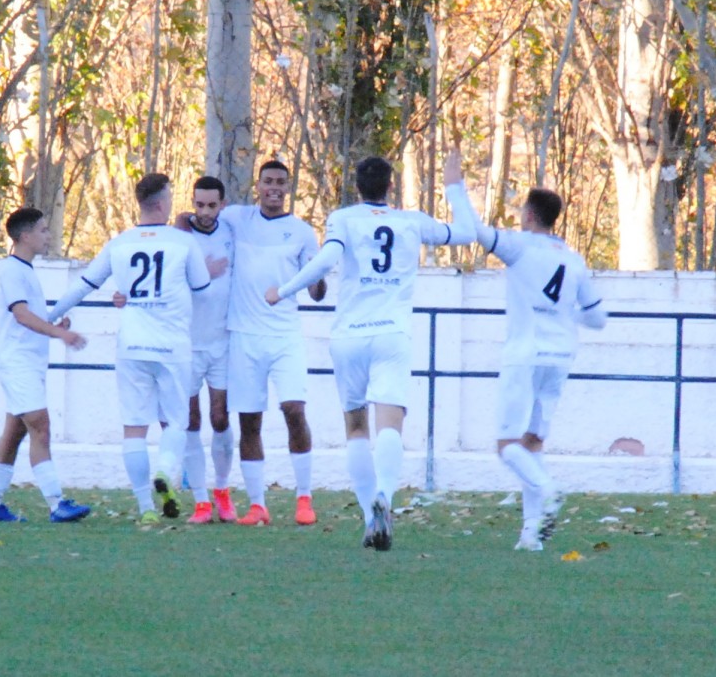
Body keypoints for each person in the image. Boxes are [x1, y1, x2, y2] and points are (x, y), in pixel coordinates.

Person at [265, 154, 476, 550]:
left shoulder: (343, 219)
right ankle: (386, 497)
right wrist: (453, 186)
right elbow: (467, 232)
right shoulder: (411, 221)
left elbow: (327, 259)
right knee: (390, 426)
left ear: (356, 187)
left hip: (349, 337)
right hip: (392, 335)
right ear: (391, 187)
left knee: (357, 428)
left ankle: (368, 518)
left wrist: (285, 290)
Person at [444, 152, 608, 551]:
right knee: (533, 444)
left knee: (507, 446)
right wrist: (564, 315)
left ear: (530, 216)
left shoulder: (519, 247)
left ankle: (548, 490)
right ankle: (531, 536)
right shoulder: (573, 260)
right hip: (560, 356)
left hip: (525, 354)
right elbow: (598, 317)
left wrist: (454, 186)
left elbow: (475, 231)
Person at [49, 173, 214, 525]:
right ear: (159, 203)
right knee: (175, 421)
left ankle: (146, 509)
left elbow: (83, 285)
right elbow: (202, 288)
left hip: (132, 346)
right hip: (171, 346)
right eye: (170, 197)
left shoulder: (120, 243)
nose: (173, 203)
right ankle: (166, 471)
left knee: (134, 428)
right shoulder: (182, 243)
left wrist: (50, 316)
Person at [217, 159, 327, 526]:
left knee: (294, 411)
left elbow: (316, 290)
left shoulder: (301, 232)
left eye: (281, 182)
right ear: (258, 185)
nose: (274, 188)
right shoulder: (236, 218)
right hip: (244, 337)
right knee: (249, 422)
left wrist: (318, 280)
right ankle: (258, 505)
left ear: (288, 187)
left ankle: (304, 498)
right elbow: (196, 220)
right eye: (268, 182)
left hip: (284, 336)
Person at [0, 207, 92, 523]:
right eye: (43, 230)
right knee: (41, 426)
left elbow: (29, 317)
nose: (48, 235)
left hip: (26, 363)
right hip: (18, 364)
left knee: (14, 433)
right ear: (25, 236)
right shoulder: (13, 271)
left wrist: (56, 323)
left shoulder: (24, 271)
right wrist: (60, 333)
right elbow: (21, 315)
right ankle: (57, 504)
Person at [183, 176, 238, 523]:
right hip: (187, 344)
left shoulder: (232, 232)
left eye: (211, 205)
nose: (204, 212)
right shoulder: (180, 237)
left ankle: (222, 490)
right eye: (199, 204)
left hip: (222, 342)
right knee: (190, 419)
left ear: (222, 205)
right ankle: (200, 501)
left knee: (220, 417)